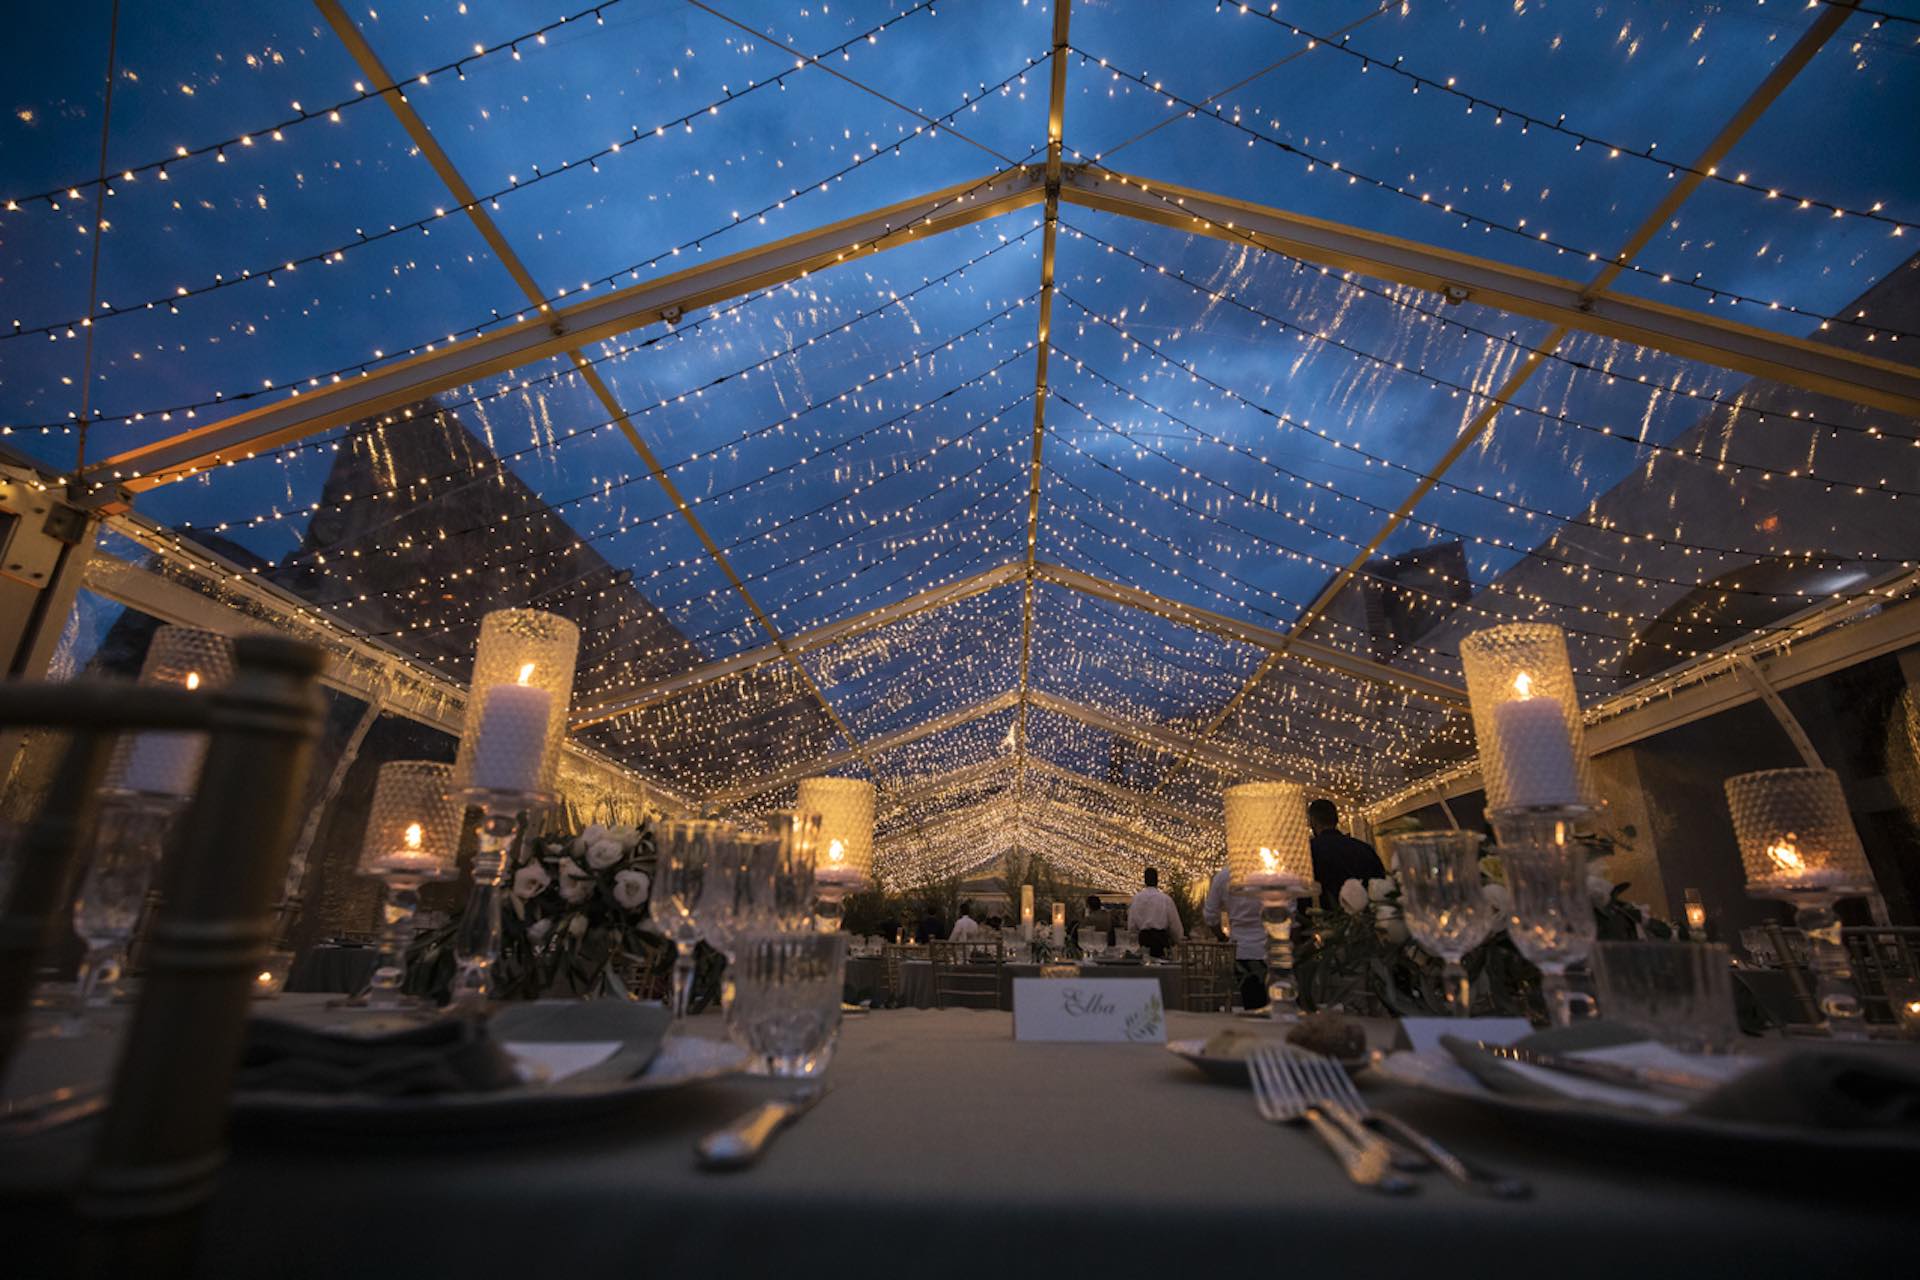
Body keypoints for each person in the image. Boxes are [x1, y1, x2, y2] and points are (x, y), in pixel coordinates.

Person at [1203, 865, 1267, 1010]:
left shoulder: (1224, 876)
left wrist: (1221, 937)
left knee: (1252, 1003)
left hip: (1241, 949)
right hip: (1271, 948)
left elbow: (1210, 915)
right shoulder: (1271, 873)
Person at [1307, 798, 1385, 912]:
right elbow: (1381, 885)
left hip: (1328, 921)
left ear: (1312, 822)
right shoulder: (1363, 848)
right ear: (1337, 819)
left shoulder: (1308, 852)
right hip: (1369, 918)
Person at [1127, 866, 1185, 959]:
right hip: (1160, 942)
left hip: (1143, 942)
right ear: (1157, 880)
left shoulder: (1136, 899)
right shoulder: (1165, 899)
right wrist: (1179, 941)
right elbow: (1175, 925)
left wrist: (1132, 942)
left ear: (1145, 881)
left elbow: (1131, 926)